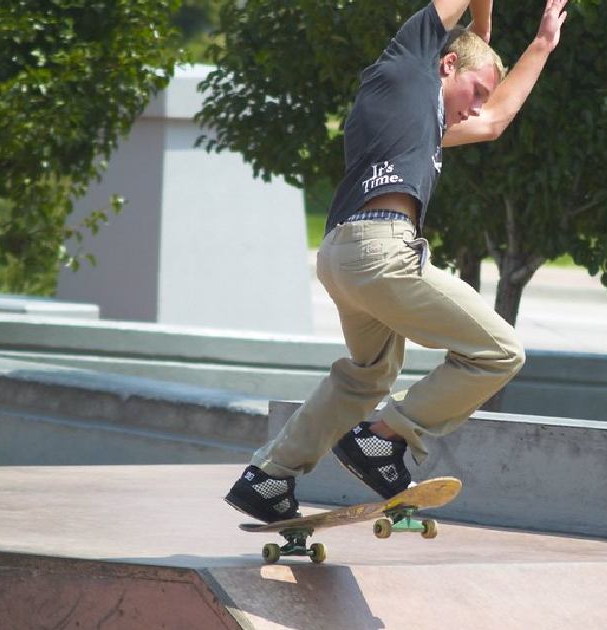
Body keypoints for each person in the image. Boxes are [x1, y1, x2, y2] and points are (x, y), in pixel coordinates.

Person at [225, 0, 569, 522]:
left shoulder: (422, 123)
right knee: (499, 352)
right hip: (380, 252)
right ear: (447, 65)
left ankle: (270, 477)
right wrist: (484, 26)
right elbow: (454, 20)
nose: (475, 108)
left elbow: (496, 121)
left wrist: (541, 45)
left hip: (344, 257)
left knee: (368, 376)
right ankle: (383, 439)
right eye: (475, 91)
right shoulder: (407, 68)